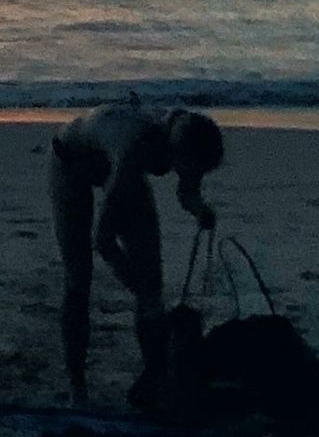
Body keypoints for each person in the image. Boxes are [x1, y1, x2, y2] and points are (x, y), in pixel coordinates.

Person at [50, 96, 224, 405]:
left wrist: (200, 210)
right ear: (178, 152)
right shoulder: (134, 149)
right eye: (192, 168)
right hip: (69, 161)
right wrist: (136, 286)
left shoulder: (188, 136)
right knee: (79, 278)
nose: (193, 175)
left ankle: (157, 379)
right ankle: (77, 388)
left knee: (152, 283)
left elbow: (187, 190)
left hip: (120, 167)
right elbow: (103, 240)